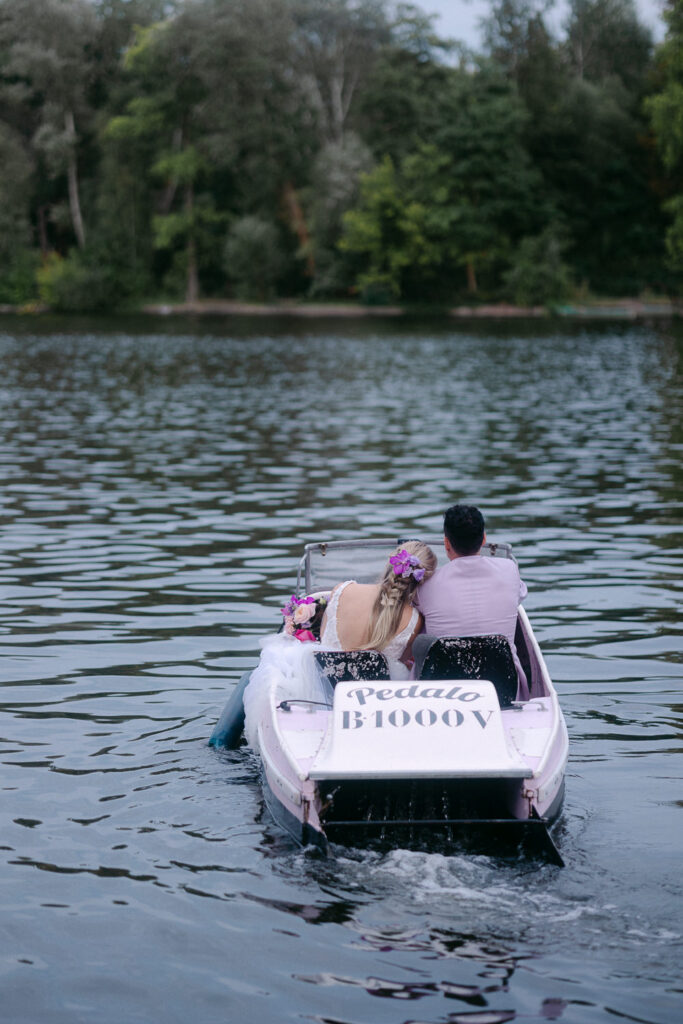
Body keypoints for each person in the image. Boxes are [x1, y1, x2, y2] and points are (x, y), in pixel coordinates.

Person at [414, 504, 529, 695]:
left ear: (446, 543)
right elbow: (520, 593)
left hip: (445, 689)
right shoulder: (509, 570)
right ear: (484, 539)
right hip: (504, 686)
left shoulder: (426, 584)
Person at [319, 540, 437, 678]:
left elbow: (323, 644)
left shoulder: (342, 591)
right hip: (373, 696)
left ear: (392, 562)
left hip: (323, 689)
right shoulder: (413, 619)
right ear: (423, 580)